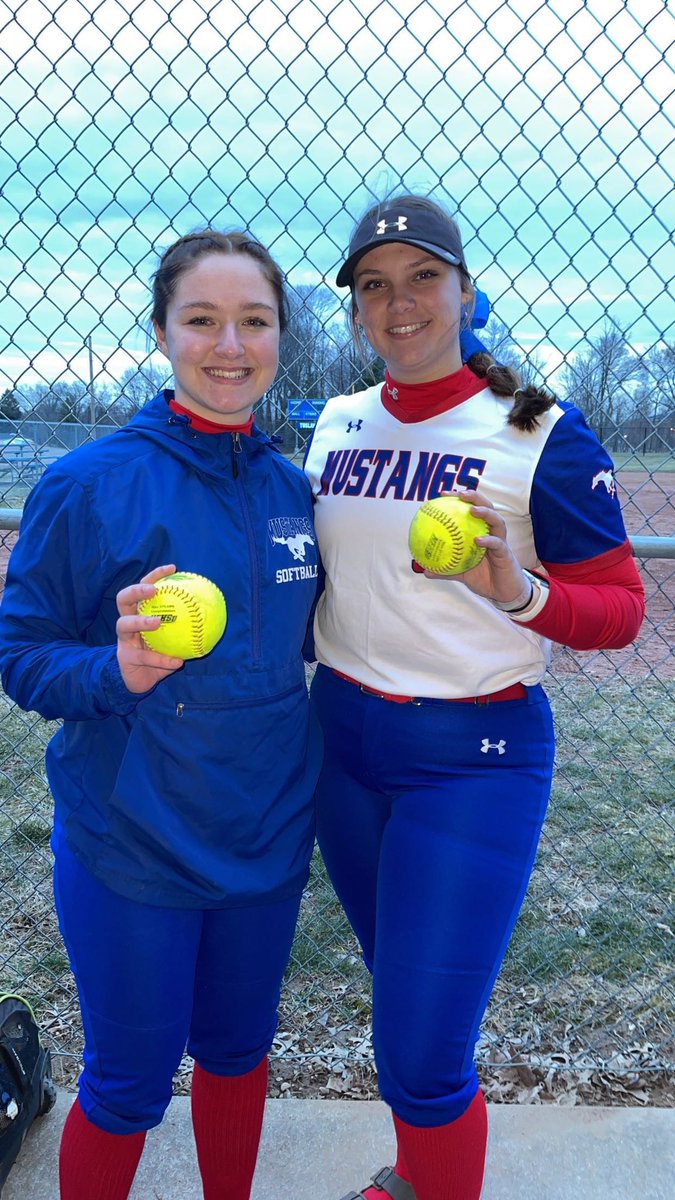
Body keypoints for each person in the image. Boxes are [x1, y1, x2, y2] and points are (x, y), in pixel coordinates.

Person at [303, 193, 645, 1200]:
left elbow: (622, 607)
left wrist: (520, 591)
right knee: (406, 1001)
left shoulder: (536, 426)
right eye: (374, 286)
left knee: (420, 1053)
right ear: (357, 311)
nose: (399, 304)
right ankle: (419, 1175)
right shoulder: (335, 421)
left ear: (463, 291)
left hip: (474, 760)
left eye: (421, 279)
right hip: (344, 746)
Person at [0, 229, 322, 1200]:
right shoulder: (88, 483)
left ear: (278, 337)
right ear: (162, 332)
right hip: (132, 842)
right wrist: (117, 671)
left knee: (236, 1054)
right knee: (130, 1085)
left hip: (264, 838)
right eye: (203, 320)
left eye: (254, 322)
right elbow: (21, 655)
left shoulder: (292, 489)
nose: (230, 345)